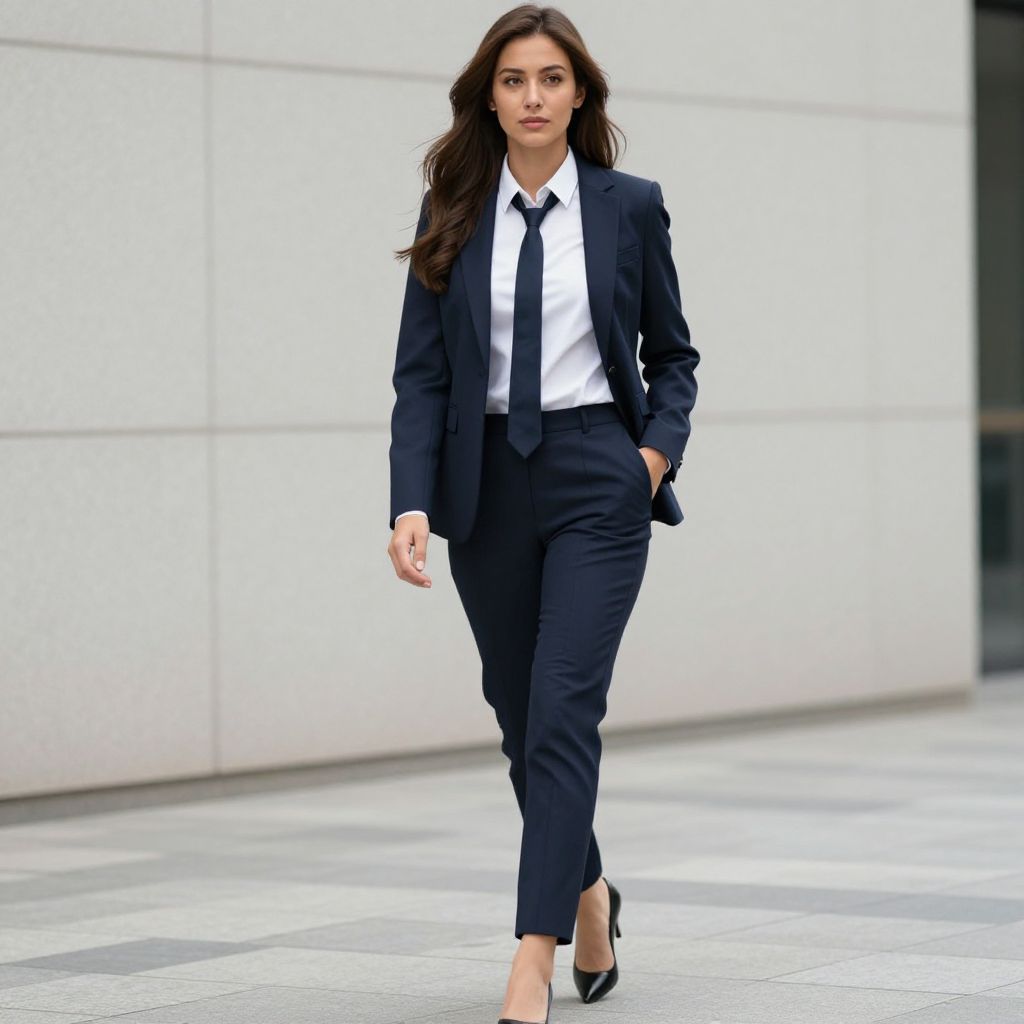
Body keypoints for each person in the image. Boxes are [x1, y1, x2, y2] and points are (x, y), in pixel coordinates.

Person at [385, 5, 699, 1022]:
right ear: (490, 94)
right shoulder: (455, 204)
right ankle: (591, 893)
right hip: (484, 487)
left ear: (578, 93)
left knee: (564, 708)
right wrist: (409, 501)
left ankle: (532, 955)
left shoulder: (629, 205)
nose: (532, 97)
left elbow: (673, 356)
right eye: (514, 79)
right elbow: (421, 378)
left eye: (551, 78)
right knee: (523, 722)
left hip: (595, 477)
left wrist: (648, 457)